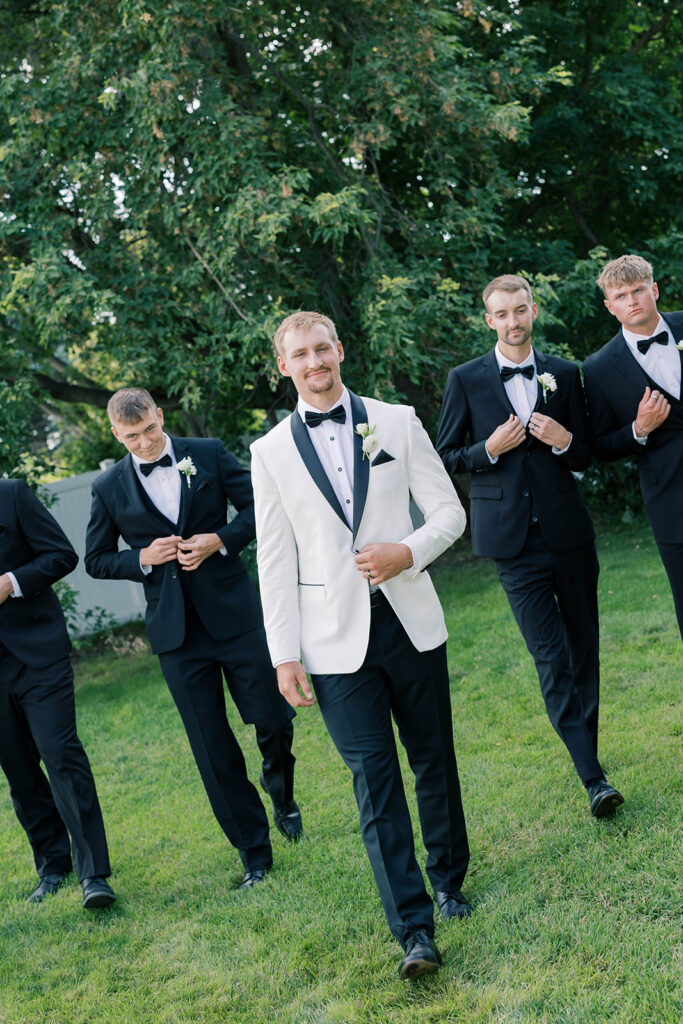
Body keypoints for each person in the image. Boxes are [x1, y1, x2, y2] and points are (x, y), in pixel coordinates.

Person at [250, 311, 471, 981]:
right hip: (331, 643)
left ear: (340, 350)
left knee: (433, 757)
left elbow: (449, 513)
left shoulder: (395, 421)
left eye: (323, 348)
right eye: (300, 354)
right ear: (283, 367)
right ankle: (412, 930)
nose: (315, 362)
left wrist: (406, 550)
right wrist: (282, 654)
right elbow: (274, 561)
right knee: (373, 781)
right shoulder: (269, 453)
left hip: (408, 622)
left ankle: (449, 881)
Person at [85, 388, 301, 890]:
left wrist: (219, 539)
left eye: (150, 430)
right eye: (131, 436)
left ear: (161, 417)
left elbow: (262, 513)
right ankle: (254, 852)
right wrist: (142, 558)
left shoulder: (206, 453)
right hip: (175, 635)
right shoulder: (108, 486)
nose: (144, 443)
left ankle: (282, 793)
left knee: (271, 717)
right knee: (211, 745)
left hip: (235, 616)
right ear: (117, 434)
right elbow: (96, 559)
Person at [437, 274, 624, 820]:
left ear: (533, 311)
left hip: (569, 534)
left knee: (583, 648)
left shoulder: (565, 374)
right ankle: (592, 777)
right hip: (511, 543)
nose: (513, 321)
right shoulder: (465, 379)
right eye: (502, 313)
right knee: (550, 657)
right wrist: (486, 450)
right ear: (488, 319)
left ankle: (584, 750)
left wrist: (566, 441)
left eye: (521, 310)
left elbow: (586, 451)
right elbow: (445, 455)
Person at [0, 478, 115, 908]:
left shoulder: (12, 495)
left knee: (61, 755)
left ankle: (94, 874)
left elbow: (62, 555)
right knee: (19, 770)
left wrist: (11, 582)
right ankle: (52, 865)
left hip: (38, 654)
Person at [583, 254, 683, 639]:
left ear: (654, 289)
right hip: (671, 501)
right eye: (621, 296)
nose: (632, 300)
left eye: (638, 290)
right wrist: (639, 428)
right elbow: (600, 446)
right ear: (610, 307)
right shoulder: (598, 368)